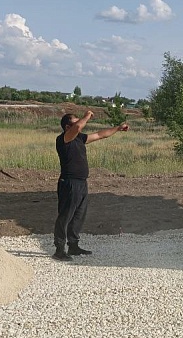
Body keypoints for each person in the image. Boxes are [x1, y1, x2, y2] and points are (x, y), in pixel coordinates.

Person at [53, 110, 129, 261]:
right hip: (69, 183)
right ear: (68, 126)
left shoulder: (79, 138)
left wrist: (118, 128)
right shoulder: (64, 139)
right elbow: (77, 128)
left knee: (78, 216)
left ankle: (73, 246)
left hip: (81, 182)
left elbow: (101, 135)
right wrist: (87, 116)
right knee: (65, 216)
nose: (80, 123)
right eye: (76, 121)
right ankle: (59, 249)